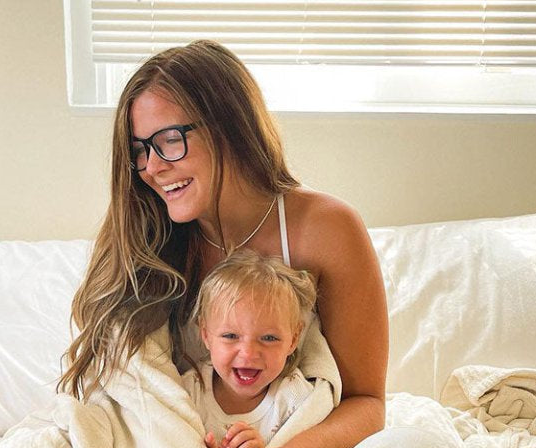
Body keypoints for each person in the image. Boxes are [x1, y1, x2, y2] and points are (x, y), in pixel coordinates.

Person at [60, 40, 439, 447]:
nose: (152, 167)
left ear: (230, 127)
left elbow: (366, 402)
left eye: (170, 139)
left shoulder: (325, 228)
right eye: (140, 150)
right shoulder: (145, 241)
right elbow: (125, 394)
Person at [182, 249, 323, 448]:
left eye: (269, 338)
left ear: (293, 340)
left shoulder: (296, 398)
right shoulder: (189, 391)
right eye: (230, 336)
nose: (248, 354)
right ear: (205, 334)